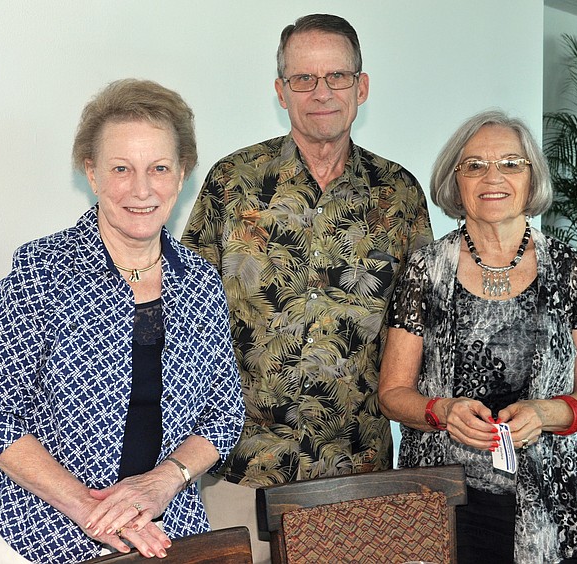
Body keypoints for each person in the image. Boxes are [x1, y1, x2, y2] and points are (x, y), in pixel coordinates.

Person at [0, 79, 244, 564]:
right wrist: (93, 510)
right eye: (121, 168)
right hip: (44, 537)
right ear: (92, 174)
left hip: (167, 536)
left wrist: (163, 482)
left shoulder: (200, 281)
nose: (141, 189)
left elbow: (224, 414)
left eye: (159, 168)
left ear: (181, 175)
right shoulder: (42, 271)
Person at [181, 14, 432, 563]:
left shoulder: (400, 194)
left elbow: (418, 330)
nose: (322, 92)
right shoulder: (232, 182)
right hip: (239, 468)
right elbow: (186, 317)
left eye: (337, 76)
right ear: (281, 91)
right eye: (303, 78)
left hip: (356, 471)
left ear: (361, 87)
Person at [377, 109, 577, 563]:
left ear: (532, 177)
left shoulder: (572, 270)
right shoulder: (424, 270)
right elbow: (391, 395)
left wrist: (544, 413)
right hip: (442, 498)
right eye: (475, 165)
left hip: (550, 498)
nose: (493, 177)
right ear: (455, 181)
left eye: (510, 163)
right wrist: (441, 411)